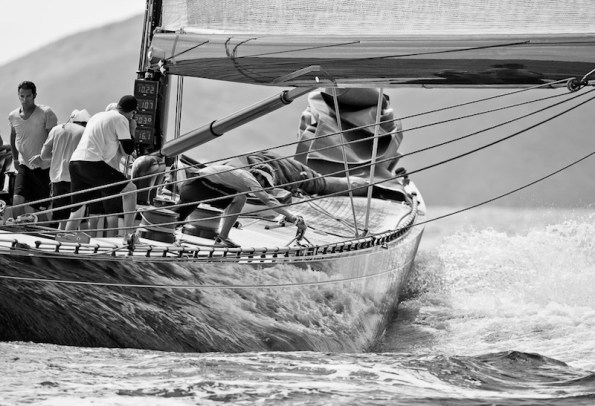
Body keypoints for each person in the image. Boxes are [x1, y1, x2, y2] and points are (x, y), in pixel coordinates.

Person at [174, 164, 306, 248]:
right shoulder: (248, 177)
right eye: (265, 183)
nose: (264, 187)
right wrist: (291, 217)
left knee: (172, 221)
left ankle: (168, 227)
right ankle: (222, 238)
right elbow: (267, 200)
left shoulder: (237, 176)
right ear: (259, 176)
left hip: (191, 186)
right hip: (200, 186)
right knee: (240, 198)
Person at [64, 95, 138, 241]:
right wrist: (132, 129)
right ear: (132, 112)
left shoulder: (97, 116)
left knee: (77, 209)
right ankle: (129, 235)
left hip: (76, 162)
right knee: (131, 190)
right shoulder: (121, 119)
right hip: (92, 163)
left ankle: (65, 238)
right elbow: (128, 150)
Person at [227, 150, 409, 201]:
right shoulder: (229, 171)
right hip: (260, 161)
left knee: (323, 185)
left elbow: (279, 199)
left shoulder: (267, 181)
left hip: (290, 171)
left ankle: (373, 188)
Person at [8, 81, 58, 218]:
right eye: (22, 96)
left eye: (28, 96)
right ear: (18, 96)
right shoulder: (13, 116)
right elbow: (13, 136)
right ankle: (19, 227)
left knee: (40, 209)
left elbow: (54, 139)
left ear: (34, 95)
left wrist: (43, 158)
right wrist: (15, 159)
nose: (25, 100)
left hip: (43, 167)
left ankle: (38, 229)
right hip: (24, 165)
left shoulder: (46, 113)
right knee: (17, 200)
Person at [40, 109, 91, 229]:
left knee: (61, 219)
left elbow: (44, 155)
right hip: (76, 179)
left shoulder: (56, 129)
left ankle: (60, 238)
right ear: (85, 123)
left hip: (57, 179)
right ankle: (84, 241)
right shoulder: (85, 132)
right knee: (81, 218)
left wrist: (58, 155)